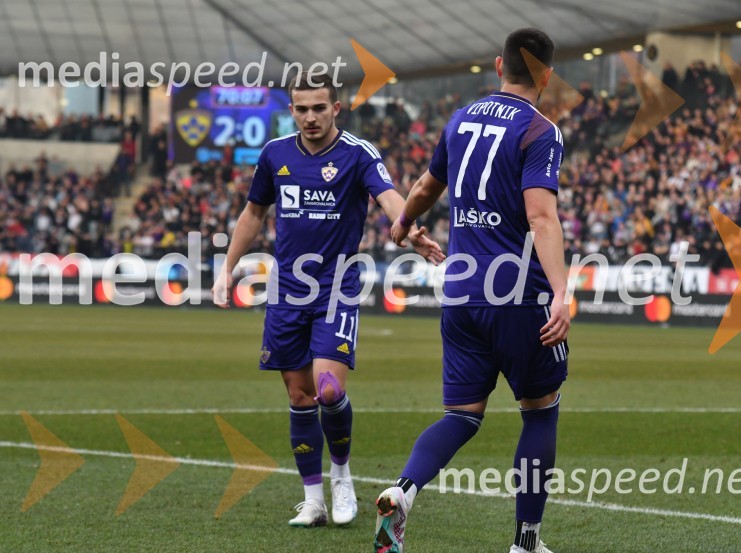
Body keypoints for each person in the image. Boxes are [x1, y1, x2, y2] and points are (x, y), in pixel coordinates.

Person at [213, 72, 444, 528]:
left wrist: (411, 229)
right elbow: (253, 213)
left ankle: (341, 478)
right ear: (292, 111)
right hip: (287, 291)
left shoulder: (357, 154)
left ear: (336, 108)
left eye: (319, 107)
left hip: (337, 286)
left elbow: (389, 196)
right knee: (299, 396)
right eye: (302, 109)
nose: (310, 117)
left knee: (328, 389)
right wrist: (226, 268)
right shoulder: (275, 154)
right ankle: (312, 499)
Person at [374, 28, 569, 553]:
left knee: (461, 415)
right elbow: (542, 216)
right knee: (540, 409)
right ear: (547, 75)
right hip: (515, 295)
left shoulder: (462, 118)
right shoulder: (539, 130)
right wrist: (562, 293)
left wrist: (403, 225)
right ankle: (526, 541)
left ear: (498, 65)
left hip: (459, 291)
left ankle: (403, 490)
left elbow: (422, 190)